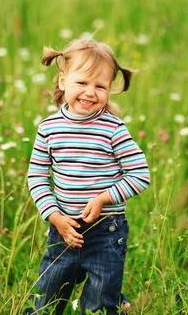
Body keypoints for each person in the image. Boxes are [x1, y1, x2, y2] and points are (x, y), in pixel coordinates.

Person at [24, 39, 150, 314]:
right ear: (62, 81)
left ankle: (113, 299)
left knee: (98, 305)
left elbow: (140, 174)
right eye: (82, 83)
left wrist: (104, 198)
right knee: (45, 301)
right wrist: (55, 216)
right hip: (63, 229)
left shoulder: (113, 130)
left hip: (106, 232)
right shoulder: (49, 128)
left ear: (110, 90)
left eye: (100, 86)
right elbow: (36, 176)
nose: (90, 92)